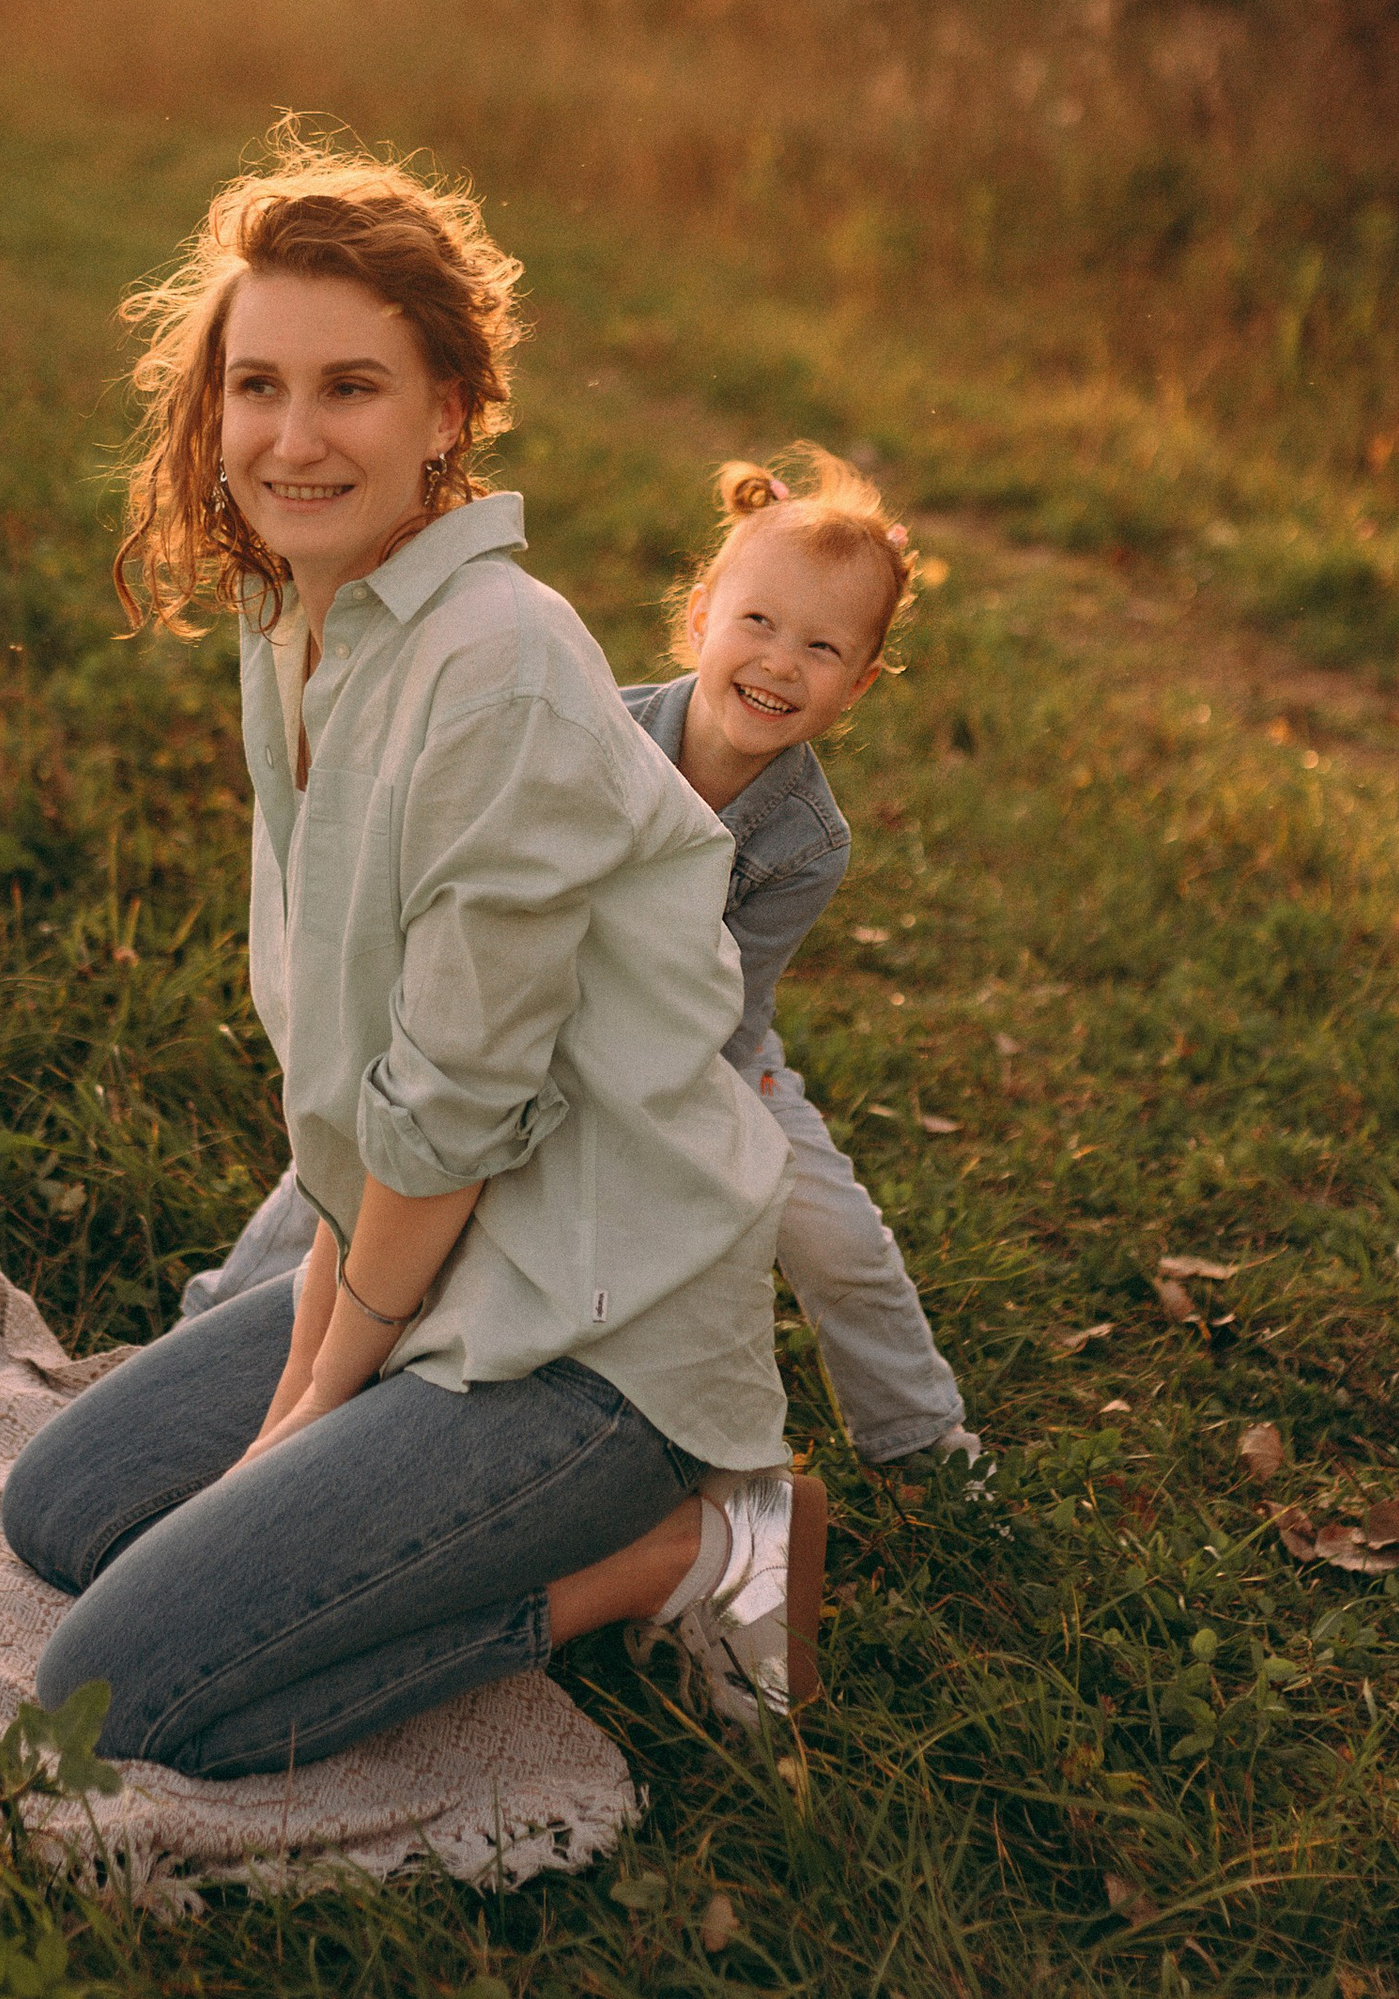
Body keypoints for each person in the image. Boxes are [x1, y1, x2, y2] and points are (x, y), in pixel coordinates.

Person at [1, 142, 826, 1772]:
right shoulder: (298, 619)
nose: (292, 438)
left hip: (594, 1320)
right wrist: (317, 1340)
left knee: (112, 1695)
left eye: (352, 388)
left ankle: (699, 1550)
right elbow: (373, 1096)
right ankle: (384, 1459)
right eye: (258, 385)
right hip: (431, 1240)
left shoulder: (498, 665)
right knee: (63, 1508)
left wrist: (310, 1409)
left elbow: (448, 1113)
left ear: (447, 410)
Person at [189, 446, 980, 1477]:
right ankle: (205, 1321)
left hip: (694, 1048)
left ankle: (923, 1438)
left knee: (829, 1225)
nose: (782, 662)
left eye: (823, 648)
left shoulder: (806, 841)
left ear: (861, 682)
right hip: (518, 994)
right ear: (700, 616)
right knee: (375, 1138)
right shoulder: (594, 725)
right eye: (758, 624)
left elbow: (724, 1012)